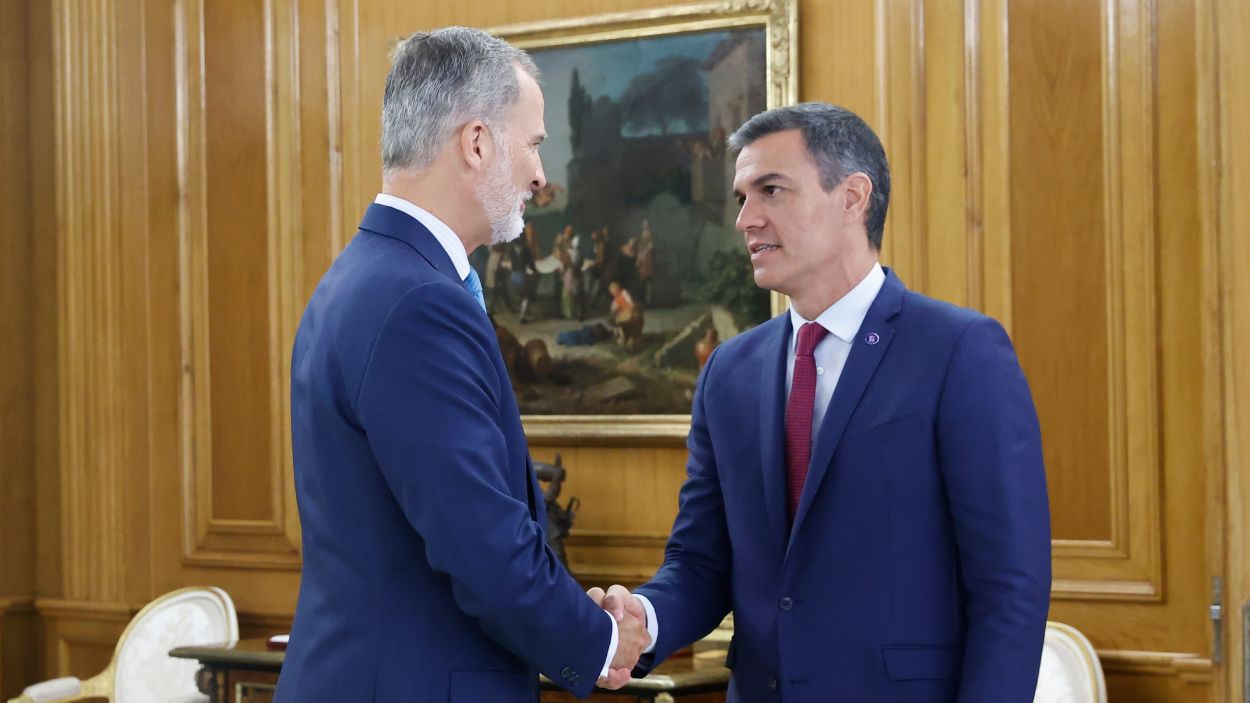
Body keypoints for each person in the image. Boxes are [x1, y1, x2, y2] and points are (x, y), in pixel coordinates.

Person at [591, 103, 1051, 701]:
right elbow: (703, 563)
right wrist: (642, 621)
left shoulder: (960, 351)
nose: (745, 220)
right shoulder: (728, 373)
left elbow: (1009, 588)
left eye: (771, 190)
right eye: (740, 198)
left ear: (853, 198)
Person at [276, 28, 649, 702]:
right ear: (477, 142)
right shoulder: (417, 301)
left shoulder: (364, 279)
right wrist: (597, 640)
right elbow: (481, 546)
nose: (540, 175)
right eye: (534, 144)